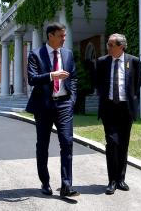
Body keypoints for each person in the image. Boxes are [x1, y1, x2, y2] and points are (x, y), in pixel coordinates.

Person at [26, 22, 79, 198]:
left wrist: (72, 100)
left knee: (67, 142)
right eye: (61, 36)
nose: (64, 38)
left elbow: (74, 78)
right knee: (43, 145)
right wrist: (52, 75)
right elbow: (32, 79)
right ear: (50, 36)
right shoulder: (35, 54)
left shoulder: (68, 54)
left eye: (64, 35)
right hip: (43, 106)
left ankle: (66, 185)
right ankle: (45, 182)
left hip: (64, 104)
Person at [96, 33, 141, 195]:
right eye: (108, 44)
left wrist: (130, 101)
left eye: (110, 45)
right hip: (109, 109)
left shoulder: (134, 61)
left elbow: (137, 85)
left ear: (121, 46)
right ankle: (112, 180)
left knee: (123, 145)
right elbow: (98, 82)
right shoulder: (102, 62)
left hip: (125, 109)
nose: (107, 47)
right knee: (112, 143)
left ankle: (121, 179)